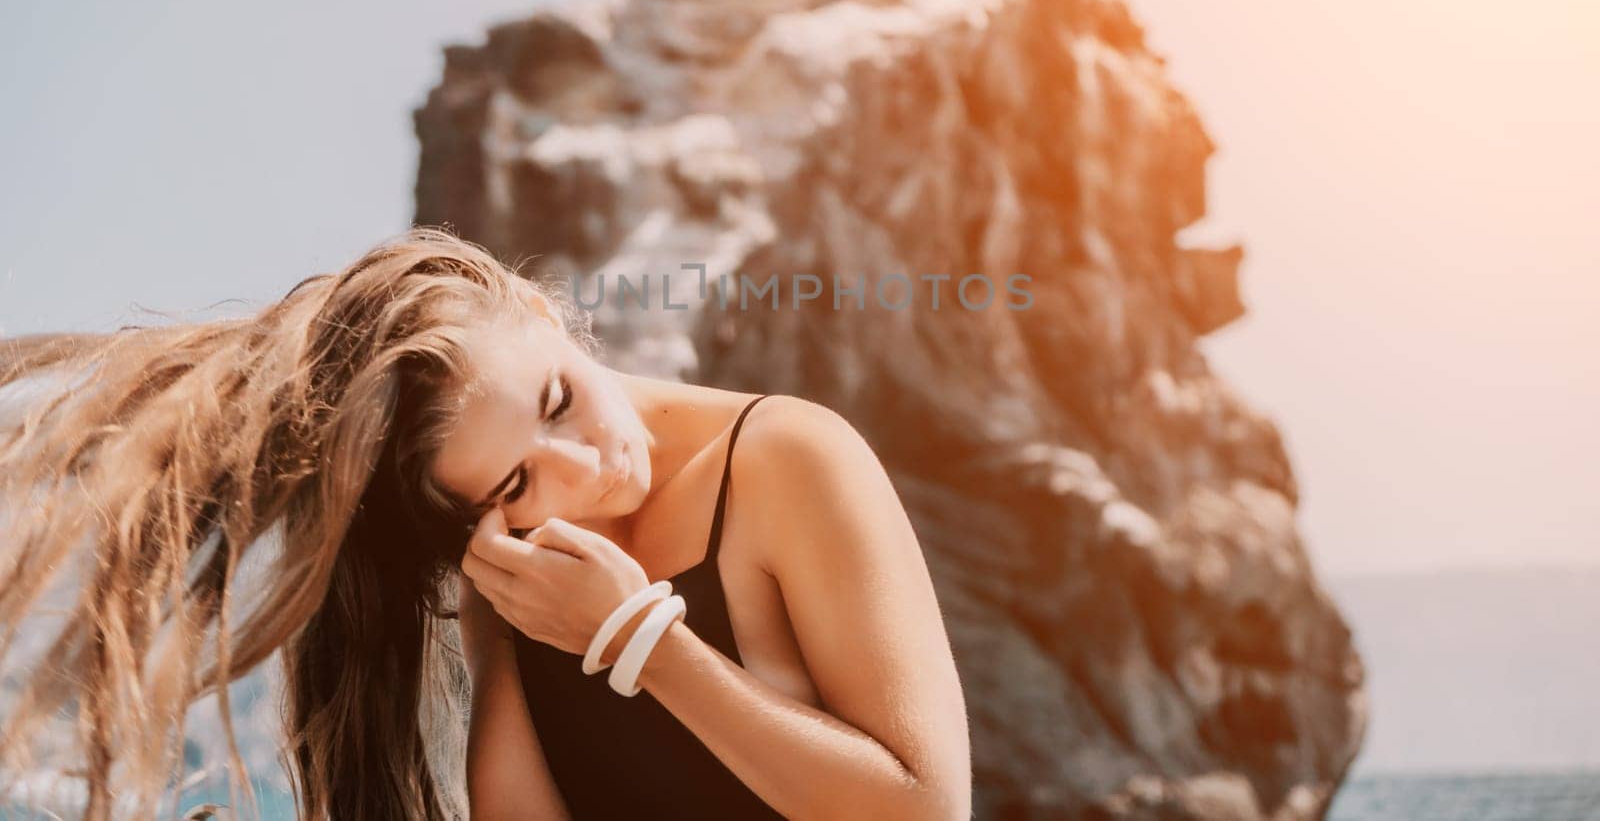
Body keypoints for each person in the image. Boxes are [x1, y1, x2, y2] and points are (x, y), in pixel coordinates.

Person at [0, 226, 971, 820]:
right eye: (513, 482)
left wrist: (640, 642)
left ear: (548, 314)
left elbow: (926, 806)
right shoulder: (510, 580)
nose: (585, 465)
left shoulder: (788, 458)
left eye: (556, 399)